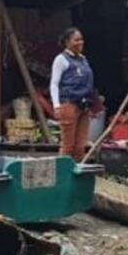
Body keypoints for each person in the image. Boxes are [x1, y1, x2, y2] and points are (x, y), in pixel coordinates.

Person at [50, 27, 95, 162]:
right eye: (76, 40)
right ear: (67, 42)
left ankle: (75, 177)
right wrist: (56, 105)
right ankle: (63, 177)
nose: (80, 42)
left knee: (80, 146)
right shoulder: (61, 59)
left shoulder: (83, 60)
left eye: (81, 39)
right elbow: (54, 84)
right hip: (69, 104)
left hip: (84, 105)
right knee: (68, 145)